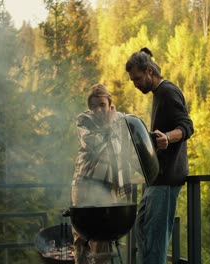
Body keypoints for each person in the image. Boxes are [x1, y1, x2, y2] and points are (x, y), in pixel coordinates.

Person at [125, 47, 194, 264]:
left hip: (166, 180)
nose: (135, 84)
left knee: (155, 241)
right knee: (142, 227)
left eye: (137, 78)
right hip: (155, 179)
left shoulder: (167, 92)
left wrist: (167, 137)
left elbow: (187, 126)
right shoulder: (158, 94)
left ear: (149, 72)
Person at [71, 84, 133, 264]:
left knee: (103, 238)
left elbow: (128, 148)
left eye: (102, 105)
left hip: (109, 186)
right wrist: (108, 126)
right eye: (94, 106)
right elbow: (94, 144)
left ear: (110, 104)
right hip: (84, 185)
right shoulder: (83, 120)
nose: (98, 110)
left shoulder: (121, 120)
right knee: (81, 238)